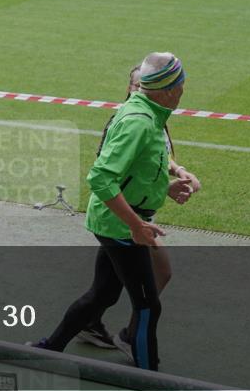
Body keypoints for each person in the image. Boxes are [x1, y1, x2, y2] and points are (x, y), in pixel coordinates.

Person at [29, 52, 192, 370]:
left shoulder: (150, 114)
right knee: (147, 307)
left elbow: (141, 169)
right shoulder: (139, 122)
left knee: (102, 295)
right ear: (167, 90)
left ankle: (48, 349)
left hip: (118, 222)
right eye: (181, 85)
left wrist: (166, 187)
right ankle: (148, 376)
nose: (183, 91)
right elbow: (101, 178)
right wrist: (136, 225)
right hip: (122, 226)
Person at [76, 64, 202, 357]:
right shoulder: (131, 121)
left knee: (108, 288)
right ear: (131, 88)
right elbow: (107, 175)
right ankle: (130, 337)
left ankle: (86, 328)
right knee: (145, 288)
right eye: (136, 85)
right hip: (123, 218)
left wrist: (177, 173)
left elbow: (157, 156)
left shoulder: (152, 117)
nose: (140, 90)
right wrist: (136, 221)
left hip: (136, 217)